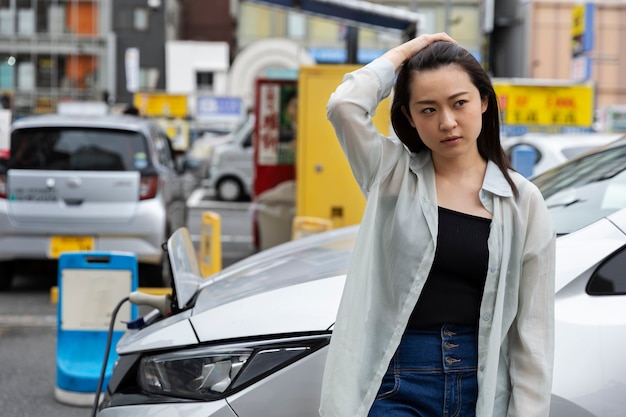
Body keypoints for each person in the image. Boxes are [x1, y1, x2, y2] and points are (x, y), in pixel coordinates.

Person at [319, 33, 556, 417]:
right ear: (410, 117)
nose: (447, 122)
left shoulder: (522, 202)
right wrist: (406, 53)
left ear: (483, 101)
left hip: (479, 385)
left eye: (459, 103)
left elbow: (533, 332)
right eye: (428, 109)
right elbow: (344, 106)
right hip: (398, 381)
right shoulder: (391, 174)